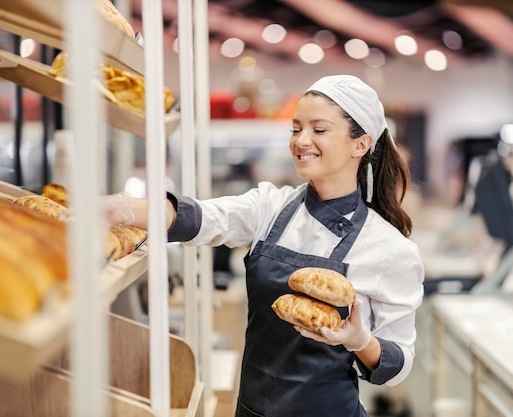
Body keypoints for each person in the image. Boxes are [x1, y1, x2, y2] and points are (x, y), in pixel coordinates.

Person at [104, 74, 425, 417]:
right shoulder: (271, 208)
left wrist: (359, 340)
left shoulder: (389, 248)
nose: (302, 140)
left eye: (319, 130)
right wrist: (121, 207)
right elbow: (202, 217)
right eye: (296, 128)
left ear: (360, 144)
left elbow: (398, 363)